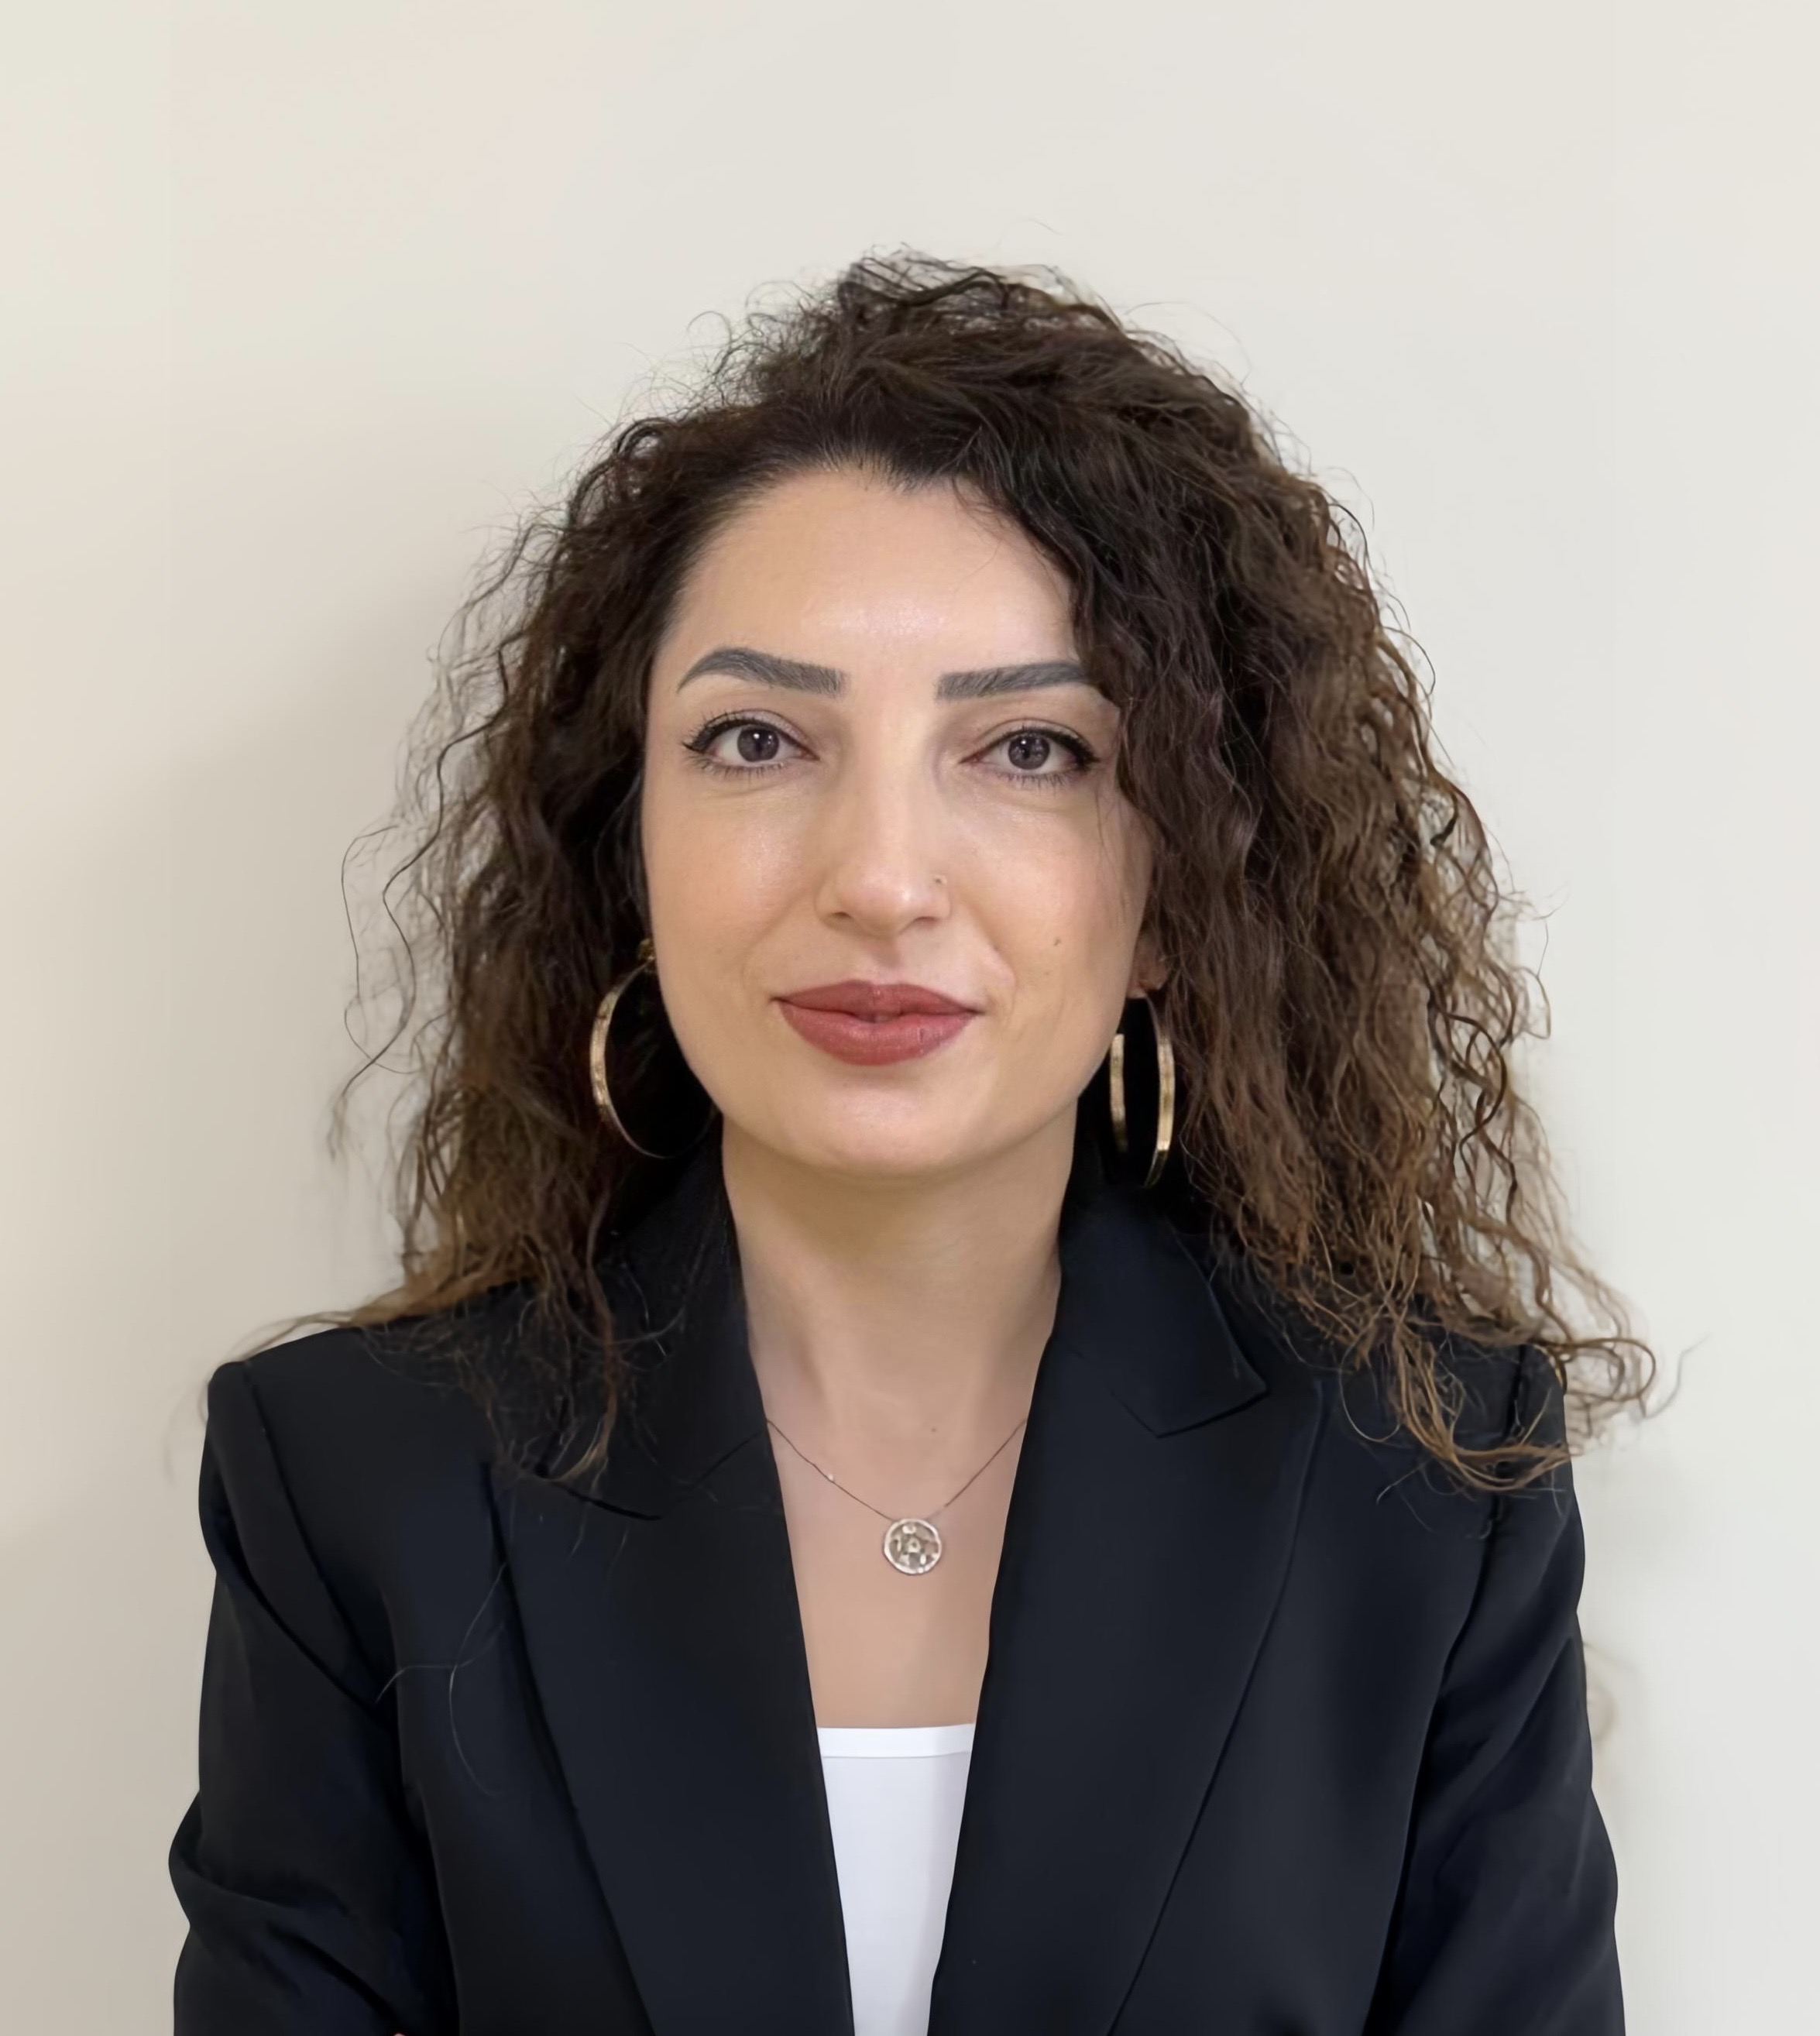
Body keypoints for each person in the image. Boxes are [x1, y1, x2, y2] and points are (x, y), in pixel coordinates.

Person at [168, 254, 1647, 2034]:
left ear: (1178, 881)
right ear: (629, 847)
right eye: (754, 739)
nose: (877, 878)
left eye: (1028, 748)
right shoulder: (356, 1481)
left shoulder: (1422, 1479)